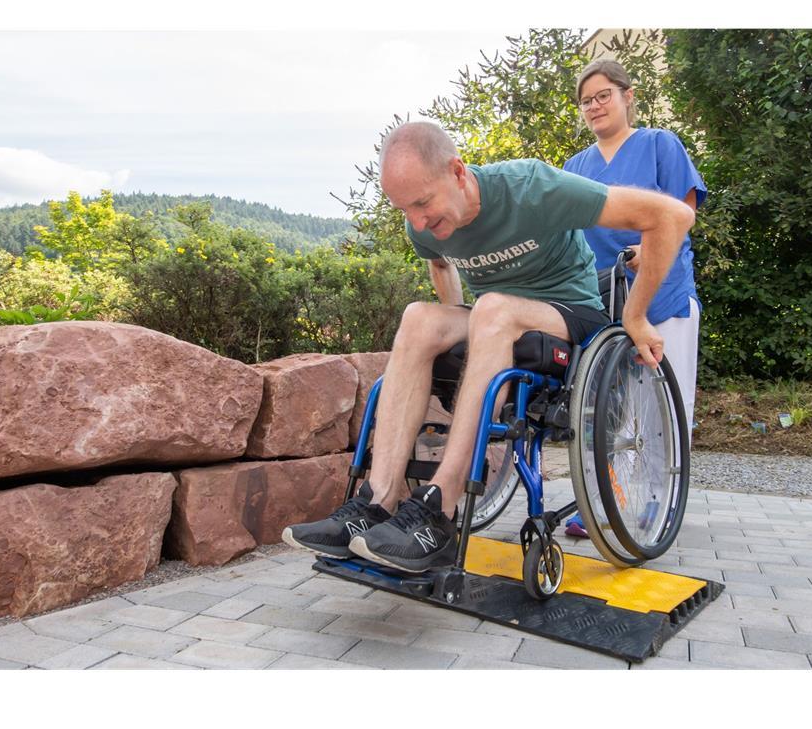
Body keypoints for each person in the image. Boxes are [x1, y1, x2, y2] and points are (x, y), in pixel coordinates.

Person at [283, 121, 694, 572]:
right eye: (405, 209)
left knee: (493, 309)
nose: (418, 223)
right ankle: (375, 501)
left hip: (570, 316)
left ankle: (440, 510)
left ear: (458, 172)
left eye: (423, 203)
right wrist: (456, 327)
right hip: (493, 319)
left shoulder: (532, 189)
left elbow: (673, 216)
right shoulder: (422, 226)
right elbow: (439, 263)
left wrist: (634, 317)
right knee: (419, 318)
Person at [562, 59, 706, 538]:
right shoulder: (576, 168)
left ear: (627, 96)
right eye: (586, 101)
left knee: (663, 402)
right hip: (603, 298)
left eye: (603, 95)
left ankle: (657, 502)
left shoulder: (659, 145)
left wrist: (650, 248)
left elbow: (683, 209)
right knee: (605, 407)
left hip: (661, 293)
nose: (595, 106)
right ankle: (604, 502)